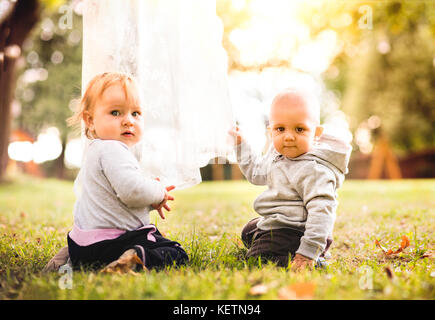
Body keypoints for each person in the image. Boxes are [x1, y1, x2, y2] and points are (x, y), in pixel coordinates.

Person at [44, 72, 188, 273]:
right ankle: (131, 258)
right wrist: (158, 191)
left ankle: (70, 258)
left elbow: (114, 204)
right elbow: (132, 192)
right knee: (175, 252)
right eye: (115, 113)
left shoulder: (97, 150)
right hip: (111, 243)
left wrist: (148, 201)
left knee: (94, 252)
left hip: (84, 245)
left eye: (135, 113)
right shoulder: (113, 149)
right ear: (90, 120)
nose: (128, 121)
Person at [229, 87, 352, 271]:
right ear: (271, 131)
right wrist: (241, 145)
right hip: (281, 223)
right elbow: (256, 173)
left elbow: (322, 211)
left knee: (258, 258)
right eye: (280, 129)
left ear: (316, 133)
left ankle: (312, 259)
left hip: (300, 230)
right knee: (249, 231)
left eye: (299, 129)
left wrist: (308, 251)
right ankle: (281, 247)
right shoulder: (278, 154)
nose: (288, 136)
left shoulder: (314, 169)